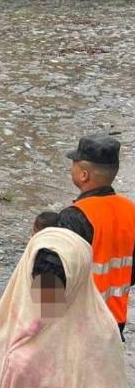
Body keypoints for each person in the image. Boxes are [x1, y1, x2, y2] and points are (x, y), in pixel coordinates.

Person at [0, 227, 129, 388]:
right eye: (40, 288)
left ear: (77, 280)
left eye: (56, 291)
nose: (47, 302)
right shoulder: (5, 325)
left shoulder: (103, 335)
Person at [63, 134, 135, 337]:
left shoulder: (75, 217)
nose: (71, 167)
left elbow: (51, 275)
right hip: (114, 322)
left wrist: (40, 325)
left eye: (74, 163)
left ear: (84, 175)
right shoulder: (131, 211)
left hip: (78, 324)